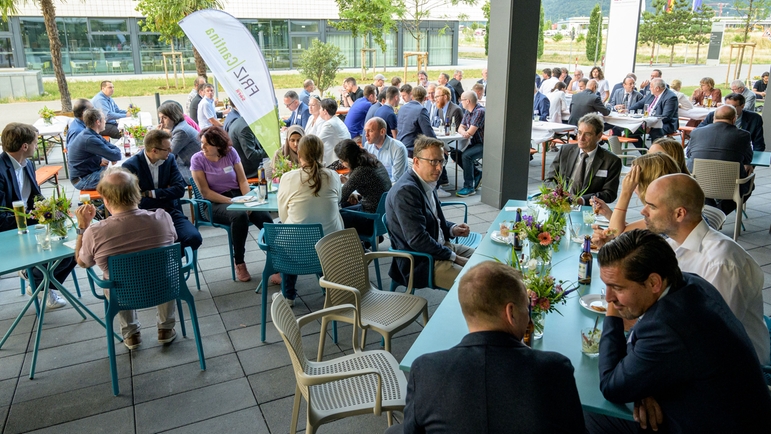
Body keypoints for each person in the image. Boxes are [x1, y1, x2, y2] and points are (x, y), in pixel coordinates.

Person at [586, 229, 771, 434]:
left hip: (718, 425)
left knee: (587, 413)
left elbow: (611, 386)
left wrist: (613, 315)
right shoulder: (691, 282)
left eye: (617, 288)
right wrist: (643, 385)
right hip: (737, 409)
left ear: (654, 283)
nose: (608, 297)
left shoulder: (666, 328)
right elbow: (653, 356)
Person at [385, 261, 585, 434]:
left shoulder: (425, 369)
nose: (529, 313)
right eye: (527, 307)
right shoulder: (556, 369)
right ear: (511, 312)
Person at [641, 174, 770, 364]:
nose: (644, 211)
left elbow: (714, 337)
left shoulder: (722, 263)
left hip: (736, 365)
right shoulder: (673, 245)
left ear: (679, 214)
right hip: (693, 345)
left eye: (652, 206)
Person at [74, 167, 179, 350]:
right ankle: (166, 328)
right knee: (163, 269)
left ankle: (131, 334)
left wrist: (83, 228)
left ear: (105, 200)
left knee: (116, 278)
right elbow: (173, 240)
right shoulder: (163, 218)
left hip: (122, 295)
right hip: (164, 287)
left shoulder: (95, 232)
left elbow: (83, 262)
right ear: (137, 194)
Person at [385, 136, 474, 290]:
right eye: (433, 162)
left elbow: (435, 221)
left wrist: (452, 229)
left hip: (440, 248)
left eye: (441, 161)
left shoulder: (426, 181)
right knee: (476, 285)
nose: (439, 168)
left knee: (488, 262)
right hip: (422, 262)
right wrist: (455, 258)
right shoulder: (406, 191)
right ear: (417, 161)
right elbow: (417, 240)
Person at [1, 122, 73, 310]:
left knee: (75, 246)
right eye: (35, 143)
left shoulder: (28, 164)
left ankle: (37, 280)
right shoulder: (0, 170)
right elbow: (1, 216)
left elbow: (36, 197)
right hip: (9, 228)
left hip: (32, 220)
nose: (36, 146)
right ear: (25, 146)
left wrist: (54, 210)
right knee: (57, 251)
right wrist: (36, 218)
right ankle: (40, 283)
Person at [190, 126, 272, 282]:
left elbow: (242, 180)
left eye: (207, 144)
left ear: (218, 145)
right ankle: (239, 262)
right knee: (239, 215)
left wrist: (247, 199)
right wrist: (235, 203)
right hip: (213, 202)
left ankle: (275, 260)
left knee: (264, 216)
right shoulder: (198, 159)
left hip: (238, 197)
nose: (203, 147)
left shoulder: (231, 153)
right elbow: (205, 192)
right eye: (202, 143)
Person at [277, 135, 343, 305]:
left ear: (299, 155)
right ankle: (329, 287)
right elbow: (337, 202)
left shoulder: (288, 178)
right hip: (330, 249)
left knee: (287, 233)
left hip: (297, 249)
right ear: (322, 154)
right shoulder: (333, 176)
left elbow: (284, 215)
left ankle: (288, 295)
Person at [122, 129, 202, 253]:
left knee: (194, 238)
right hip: (144, 215)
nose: (171, 151)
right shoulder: (131, 166)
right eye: (167, 149)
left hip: (170, 212)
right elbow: (135, 199)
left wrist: (149, 193)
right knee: (148, 246)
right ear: (154, 150)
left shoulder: (169, 160)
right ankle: (163, 264)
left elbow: (180, 190)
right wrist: (166, 192)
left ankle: (170, 262)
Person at [591, 152, 683, 241]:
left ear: (644, 182)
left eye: (633, 178)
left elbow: (618, 234)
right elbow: (632, 230)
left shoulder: (661, 210)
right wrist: (608, 213)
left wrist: (626, 192)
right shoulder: (666, 204)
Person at [687, 105, 754, 214]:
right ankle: (719, 213)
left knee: (701, 186)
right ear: (734, 119)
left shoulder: (696, 132)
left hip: (697, 183)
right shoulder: (743, 135)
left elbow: (689, 153)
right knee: (749, 184)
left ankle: (712, 213)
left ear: (714, 118)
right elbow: (748, 159)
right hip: (730, 185)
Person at [546, 113, 621, 205]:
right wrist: (558, 193)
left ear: (599, 136)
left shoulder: (611, 161)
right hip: (559, 203)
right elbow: (550, 179)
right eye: (580, 133)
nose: (581, 138)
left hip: (587, 208)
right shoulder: (565, 151)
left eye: (587, 134)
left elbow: (609, 194)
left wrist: (581, 200)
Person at [335, 139, 391, 237]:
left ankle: (357, 245)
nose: (342, 164)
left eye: (342, 161)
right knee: (347, 204)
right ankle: (368, 241)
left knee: (338, 216)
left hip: (371, 219)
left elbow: (340, 197)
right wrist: (352, 191)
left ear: (348, 160)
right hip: (383, 215)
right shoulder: (372, 161)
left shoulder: (360, 171)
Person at [68, 108, 122, 190]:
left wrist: (112, 155)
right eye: (104, 119)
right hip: (83, 180)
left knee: (121, 170)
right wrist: (112, 155)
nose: (105, 122)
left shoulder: (90, 133)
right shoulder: (89, 139)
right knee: (121, 177)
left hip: (91, 173)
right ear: (98, 122)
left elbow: (111, 148)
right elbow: (116, 155)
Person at [697, 92, 765, 151]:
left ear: (742, 106)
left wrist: (752, 163)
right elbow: (699, 131)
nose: (729, 109)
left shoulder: (754, 119)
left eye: (733, 107)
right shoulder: (714, 115)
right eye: (727, 106)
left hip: (740, 152)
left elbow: (758, 143)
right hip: (715, 148)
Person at [158, 100, 200, 184]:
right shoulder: (180, 127)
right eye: (160, 118)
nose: (161, 122)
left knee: (160, 177)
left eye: (164, 118)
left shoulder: (181, 131)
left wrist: (158, 136)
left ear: (174, 117)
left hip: (191, 170)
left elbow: (168, 154)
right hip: (186, 164)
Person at [225, 100, 268, 178]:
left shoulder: (241, 121)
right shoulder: (245, 128)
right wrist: (269, 150)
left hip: (243, 164)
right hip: (249, 170)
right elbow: (251, 154)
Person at [455, 91, 485, 197]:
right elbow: (460, 128)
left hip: (483, 144)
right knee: (455, 153)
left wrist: (465, 132)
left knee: (466, 156)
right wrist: (464, 132)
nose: (460, 102)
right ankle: (477, 173)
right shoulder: (468, 111)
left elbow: (470, 132)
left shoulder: (479, 112)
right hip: (474, 143)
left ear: (468, 101)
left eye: (462, 100)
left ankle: (469, 187)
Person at [363, 117, 407, 184]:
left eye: (370, 131)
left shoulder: (398, 148)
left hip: (391, 188)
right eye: (365, 131)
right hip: (374, 185)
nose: (366, 135)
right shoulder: (367, 145)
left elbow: (396, 180)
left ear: (382, 132)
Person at [397, 86, 437, 159]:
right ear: (425, 98)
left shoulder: (402, 108)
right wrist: (441, 145)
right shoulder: (421, 110)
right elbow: (429, 133)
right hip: (413, 149)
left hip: (399, 146)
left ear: (412, 95)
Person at [316, 98, 351, 166]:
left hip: (339, 161)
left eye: (320, 108)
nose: (319, 110)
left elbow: (317, 142)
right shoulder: (336, 120)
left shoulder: (329, 125)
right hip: (344, 157)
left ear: (325, 111)